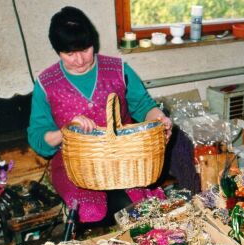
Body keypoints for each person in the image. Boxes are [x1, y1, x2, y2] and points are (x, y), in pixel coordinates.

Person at [27, 6, 172, 224]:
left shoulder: (118, 69)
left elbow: (143, 105)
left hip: (125, 156)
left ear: (93, 41)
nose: (80, 60)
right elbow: (38, 138)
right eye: (69, 54)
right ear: (57, 51)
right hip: (74, 164)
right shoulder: (47, 83)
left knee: (140, 209)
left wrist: (159, 118)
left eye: (85, 49)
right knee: (90, 211)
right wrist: (66, 130)